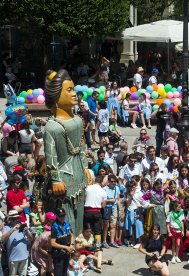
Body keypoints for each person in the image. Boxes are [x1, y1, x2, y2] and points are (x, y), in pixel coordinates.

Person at [43, 69, 91, 234]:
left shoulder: (78, 120)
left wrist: (85, 167)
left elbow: (82, 147)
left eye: (74, 89)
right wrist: (55, 179)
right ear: (56, 95)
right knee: (66, 220)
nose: (74, 94)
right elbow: (51, 157)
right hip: (63, 179)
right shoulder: (51, 126)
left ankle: (77, 251)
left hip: (79, 174)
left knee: (79, 217)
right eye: (69, 90)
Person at [2, 210, 34, 276]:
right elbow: (2, 238)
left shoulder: (23, 226)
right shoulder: (6, 228)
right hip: (13, 258)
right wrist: (13, 229)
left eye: (16, 218)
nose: (16, 220)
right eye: (14, 218)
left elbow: (31, 238)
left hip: (24, 257)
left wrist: (27, 231)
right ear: (10, 219)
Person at [50, 208, 75, 276]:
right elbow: (53, 243)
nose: (62, 217)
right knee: (58, 273)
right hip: (58, 254)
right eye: (60, 216)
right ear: (57, 216)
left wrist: (71, 244)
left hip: (67, 252)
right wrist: (66, 247)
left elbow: (72, 235)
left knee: (64, 271)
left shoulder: (67, 224)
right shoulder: (54, 227)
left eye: (63, 215)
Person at [31, 211, 56, 276]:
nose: (53, 220)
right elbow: (39, 248)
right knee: (43, 265)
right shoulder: (46, 235)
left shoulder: (53, 226)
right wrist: (47, 254)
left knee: (50, 264)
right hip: (38, 247)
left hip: (46, 246)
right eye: (52, 219)